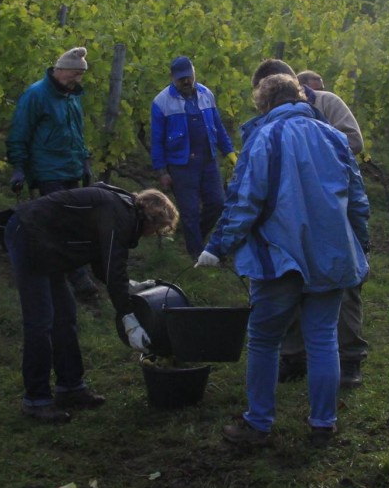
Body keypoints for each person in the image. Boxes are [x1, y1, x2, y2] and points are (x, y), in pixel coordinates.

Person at [197, 74, 370, 448]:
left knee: (264, 340)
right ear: (301, 96)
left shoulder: (264, 137)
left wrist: (218, 246)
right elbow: (357, 200)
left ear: (265, 102)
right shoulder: (333, 137)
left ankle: (258, 424)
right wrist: (361, 245)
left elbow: (245, 200)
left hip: (278, 258)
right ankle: (323, 424)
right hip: (331, 255)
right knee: (323, 339)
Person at [4, 184, 179, 423]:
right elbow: (113, 267)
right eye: (157, 230)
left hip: (49, 243)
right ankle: (36, 400)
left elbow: (102, 263)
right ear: (151, 219)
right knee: (40, 321)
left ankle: (70, 388)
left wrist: (129, 288)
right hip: (29, 233)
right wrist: (128, 316)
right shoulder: (119, 215)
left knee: (65, 316)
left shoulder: (121, 211)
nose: (152, 235)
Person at [249, 59, 369, 387]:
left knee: (343, 287)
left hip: (331, 212)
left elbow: (353, 141)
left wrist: (314, 149)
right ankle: (293, 356)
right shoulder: (268, 121)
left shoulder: (327, 103)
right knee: (288, 279)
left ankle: (350, 358)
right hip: (290, 214)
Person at [6, 45, 100, 298]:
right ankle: (77, 277)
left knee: (74, 221)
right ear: (59, 70)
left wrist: (84, 161)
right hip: (48, 170)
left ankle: (67, 270)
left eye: (80, 75)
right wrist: (19, 166)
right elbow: (19, 132)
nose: (77, 80)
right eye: (74, 74)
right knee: (61, 222)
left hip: (70, 168)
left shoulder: (72, 96)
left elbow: (77, 133)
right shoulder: (36, 95)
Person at [150, 56, 235, 258]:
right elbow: (156, 140)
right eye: (181, 79)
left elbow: (218, 128)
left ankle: (196, 237)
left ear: (194, 73)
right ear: (173, 78)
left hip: (208, 160)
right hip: (181, 164)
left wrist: (231, 154)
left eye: (188, 77)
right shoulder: (162, 102)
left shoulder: (206, 94)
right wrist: (162, 171)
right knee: (189, 211)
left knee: (217, 203)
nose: (186, 81)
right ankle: (196, 254)